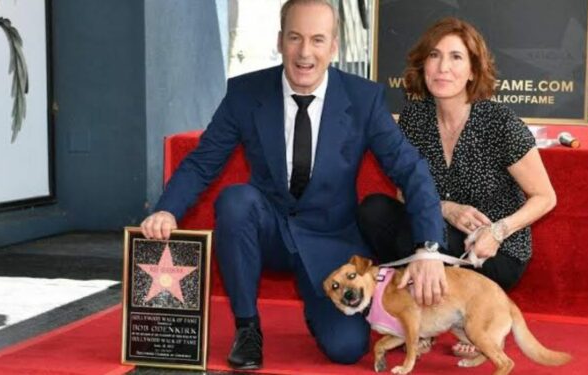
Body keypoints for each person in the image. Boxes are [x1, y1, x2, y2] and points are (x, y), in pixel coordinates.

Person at [141, 0, 446, 369]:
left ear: (333, 46)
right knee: (236, 202)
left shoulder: (363, 99)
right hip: (269, 229)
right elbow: (204, 160)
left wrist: (428, 247)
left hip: (332, 242)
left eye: (318, 40)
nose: (305, 53)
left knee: (347, 349)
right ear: (280, 40)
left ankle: (318, 309)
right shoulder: (245, 93)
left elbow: (410, 169)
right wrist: (167, 208)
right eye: (295, 38)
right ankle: (247, 327)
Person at [358, 17, 557, 358]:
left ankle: (471, 318)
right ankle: (427, 320)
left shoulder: (499, 123)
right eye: (435, 56)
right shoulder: (414, 119)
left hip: (490, 252)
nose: (443, 67)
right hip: (437, 239)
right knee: (376, 211)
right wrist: (443, 208)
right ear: (423, 66)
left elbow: (546, 197)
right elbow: (404, 194)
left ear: (472, 70)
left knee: (424, 237)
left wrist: (498, 230)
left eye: (456, 57)